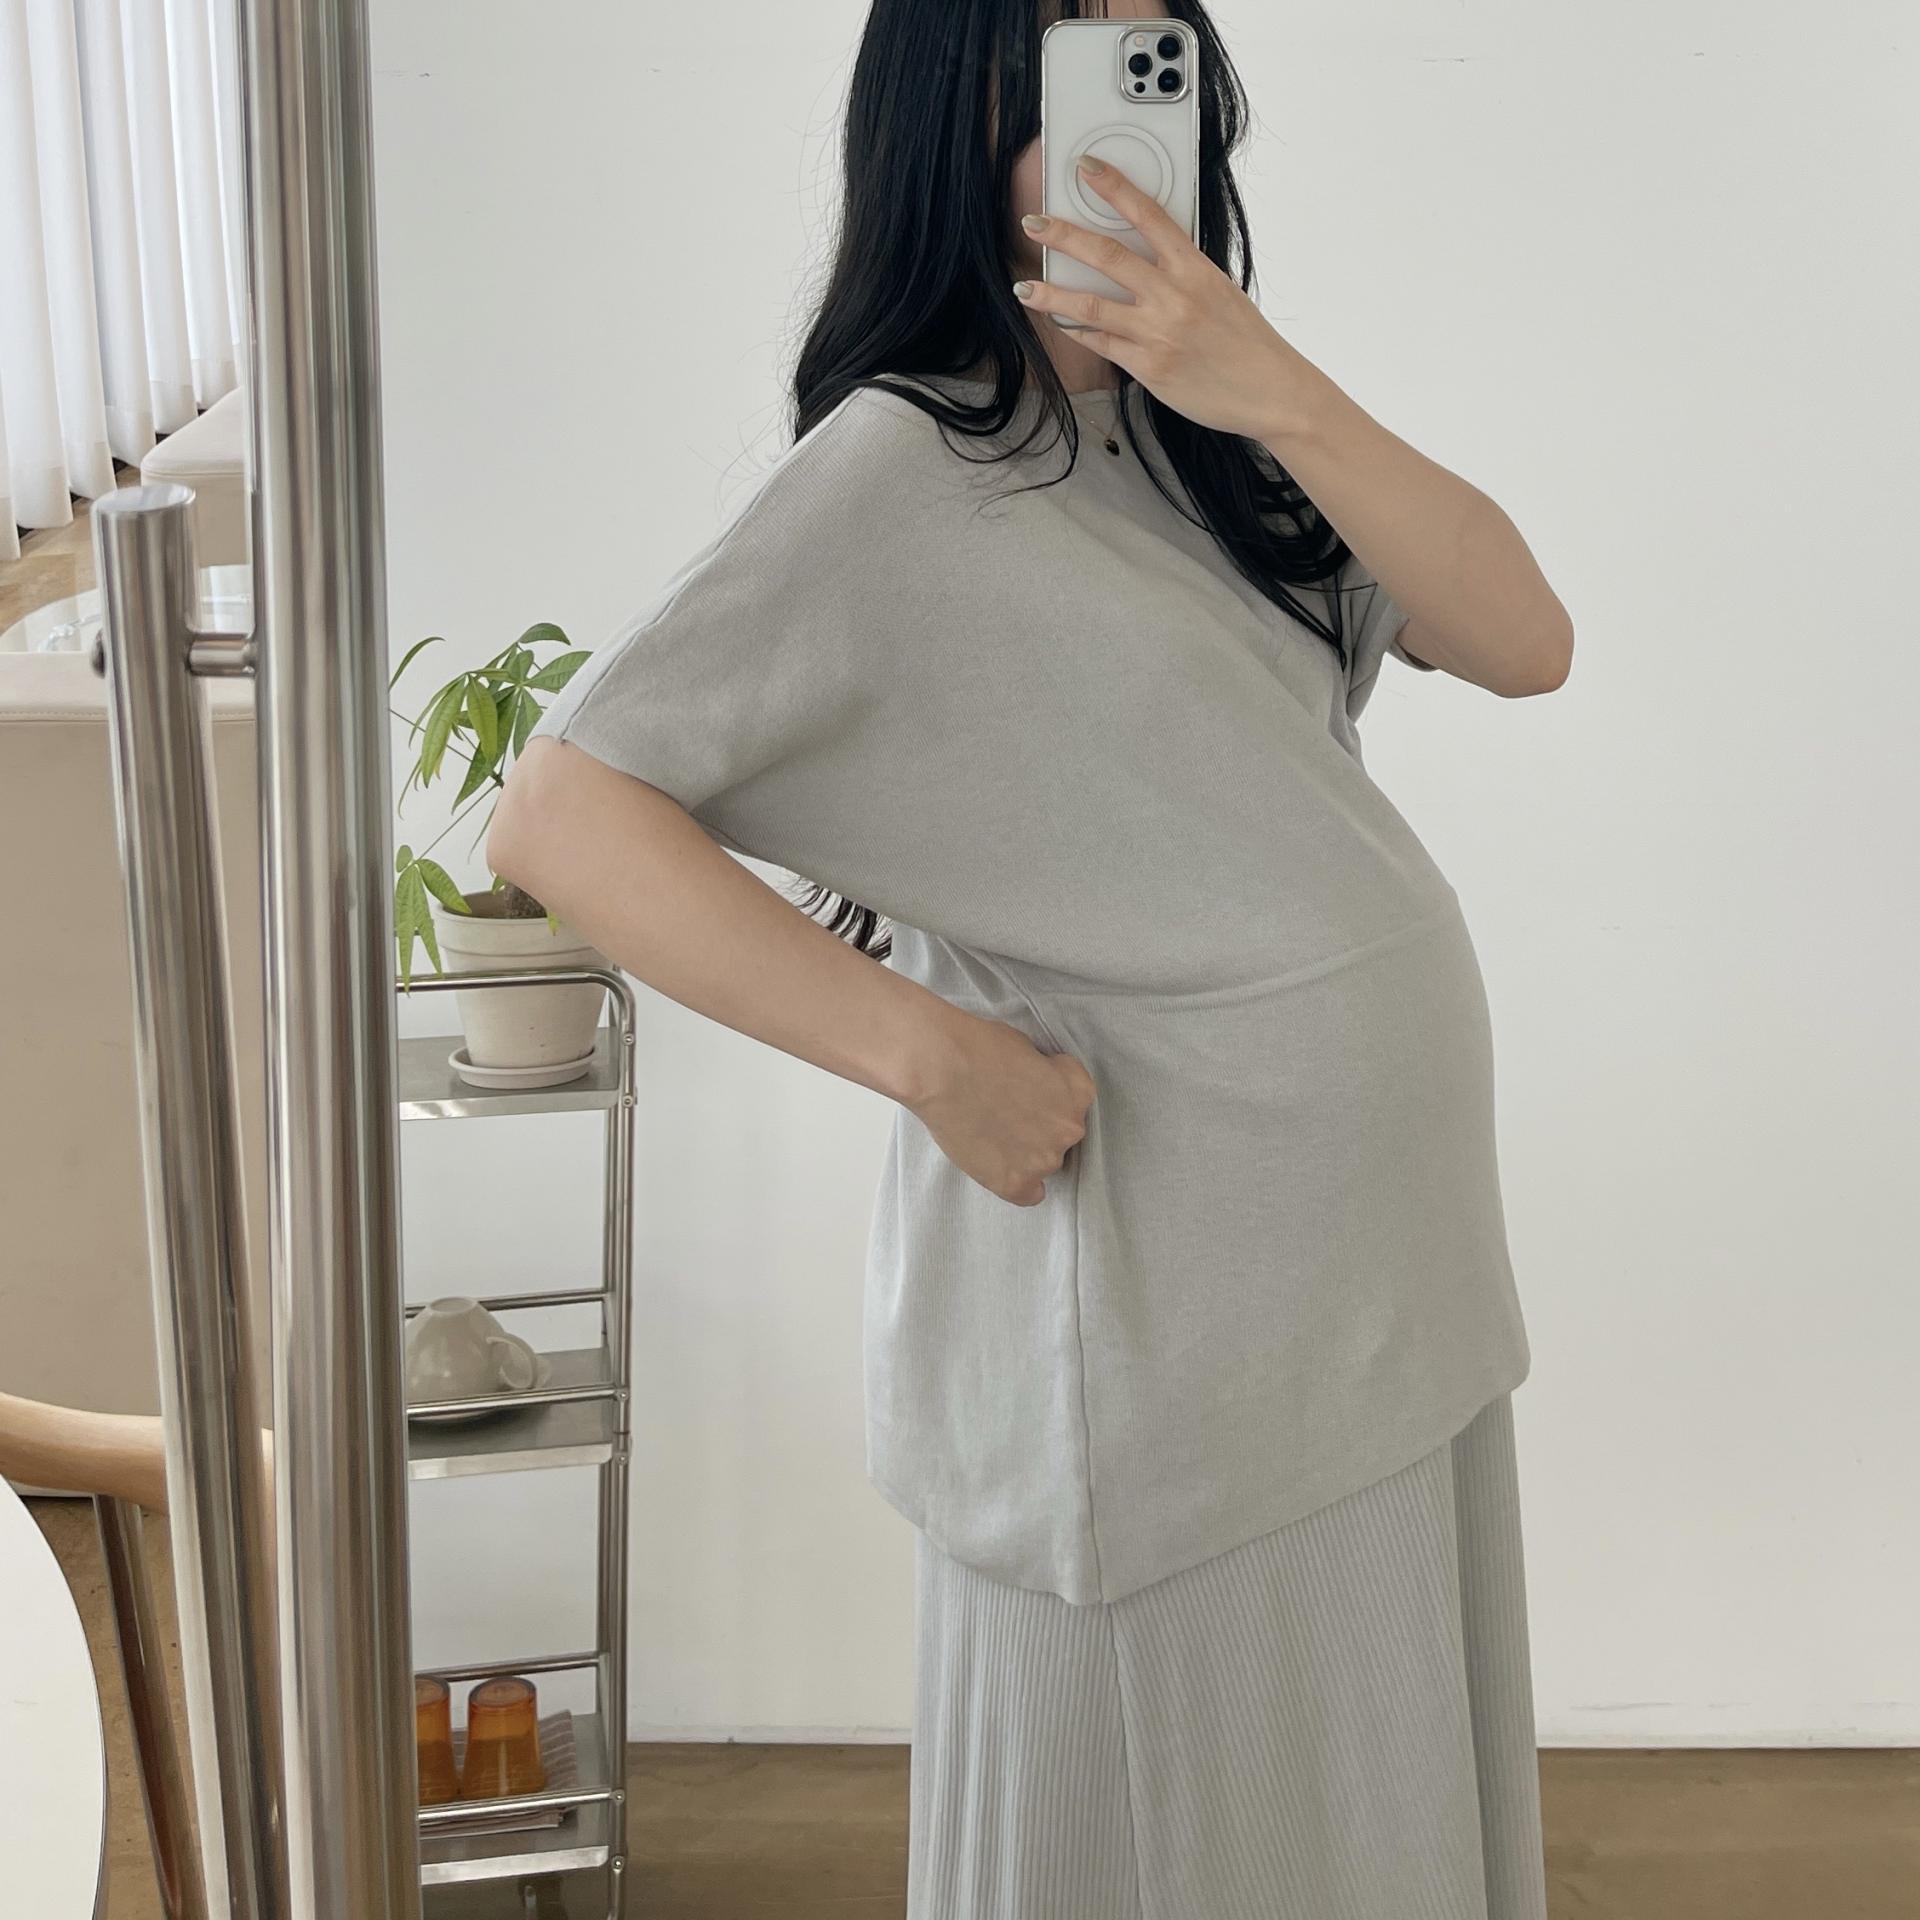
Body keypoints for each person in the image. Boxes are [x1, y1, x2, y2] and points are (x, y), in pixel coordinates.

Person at [491, 2, 1572, 1913]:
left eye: (1158, 68)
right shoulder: (904, 466)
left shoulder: (1208, 436)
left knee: (1358, 1810)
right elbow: (562, 817)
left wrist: (1271, 385)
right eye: (1066, 76)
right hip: (1168, 1323)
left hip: (1370, 1289)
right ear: (959, 121)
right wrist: (927, 1056)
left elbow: (1523, 637)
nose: (1125, 122)